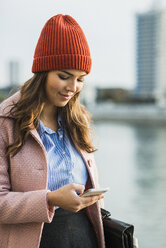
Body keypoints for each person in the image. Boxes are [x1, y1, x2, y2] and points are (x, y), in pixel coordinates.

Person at [0, 14, 105, 248]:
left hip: (84, 237)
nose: (73, 88)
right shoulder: (5, 121)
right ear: (42, 71)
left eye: (80, 79)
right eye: (64, 76)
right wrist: (50, 199)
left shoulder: (79, 119)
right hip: (33, 240)